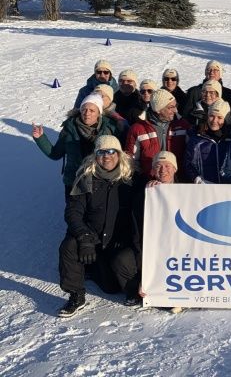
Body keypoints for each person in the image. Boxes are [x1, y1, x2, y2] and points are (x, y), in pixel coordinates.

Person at [57, 135, 136, 317]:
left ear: (119, 155)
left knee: (111, 288)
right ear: (95, 156)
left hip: (115, 240)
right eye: (101, 152)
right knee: (69, 246)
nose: (106, 156)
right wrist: (84, 237)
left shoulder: (130, 179)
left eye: (111, 152)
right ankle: (76, 294)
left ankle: (93, 267)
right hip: (92, 237)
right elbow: (73, 212)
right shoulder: (86, 178)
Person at [32, 93, 118, 200]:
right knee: (73, 215)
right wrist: (40, 138)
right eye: (84, 109)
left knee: (95, 215)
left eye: (92, 110)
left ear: (99, 113)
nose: (87, 113)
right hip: (73, 180)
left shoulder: (109, 129)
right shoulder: (69, 129)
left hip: (99, 181)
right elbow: (55, 154)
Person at [130, 151, 180, 310]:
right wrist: (147, 195)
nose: (163, 170)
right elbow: (140, 234)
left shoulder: (186, 191)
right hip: (155, 248)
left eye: (167, 166)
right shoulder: (146, 192)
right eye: (158, 166)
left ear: (175, 169)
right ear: (152, 171)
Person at [125, 89, 190, 185]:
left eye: (175, 106)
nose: (175, 110)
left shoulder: (183, 125)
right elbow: (131, 160)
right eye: (170, 107)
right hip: (149, 183)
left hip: (178, 182)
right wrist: (144, 179)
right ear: (158, 110)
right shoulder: (138, 129)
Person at [185, 99, 231, 184]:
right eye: (211, 116)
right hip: (205, 186)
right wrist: (196, 178)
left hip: (227, 188)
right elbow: (188, 162)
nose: (214, 121)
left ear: (226, 119)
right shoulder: (197, 137)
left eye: (219, 117)